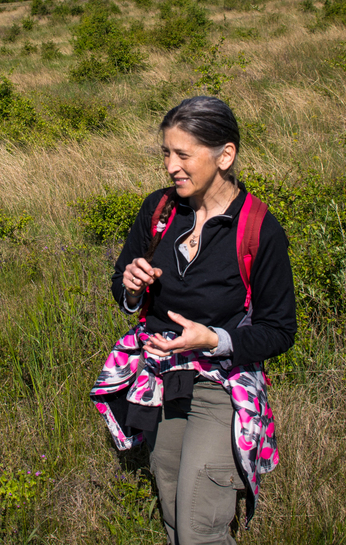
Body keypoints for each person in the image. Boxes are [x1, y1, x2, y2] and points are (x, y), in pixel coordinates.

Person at [91, 96, 296, 545]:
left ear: (225, 155)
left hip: (221, 383)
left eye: (183, 154)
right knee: (172, 501)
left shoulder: (259, 228)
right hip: (161, 376)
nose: (171, 166)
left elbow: (280, 329)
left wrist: (214, 340)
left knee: (199, 526)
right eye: (166, 153)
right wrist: (130, 287)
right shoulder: (160, 210)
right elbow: (122, 289)